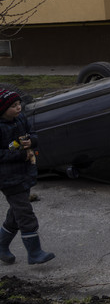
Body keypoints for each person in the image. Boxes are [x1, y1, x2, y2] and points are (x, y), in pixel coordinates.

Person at [0, 89, 55, 265]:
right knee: (25, 213)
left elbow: (33, 134)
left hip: (25, 172)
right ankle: (34, 252)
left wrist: (31, 141)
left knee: (16, 212)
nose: (18, 108)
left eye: (19, 105)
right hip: (8, 178)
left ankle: (1, 245)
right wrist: (18, 155)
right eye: (13, 106)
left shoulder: (21, 119)